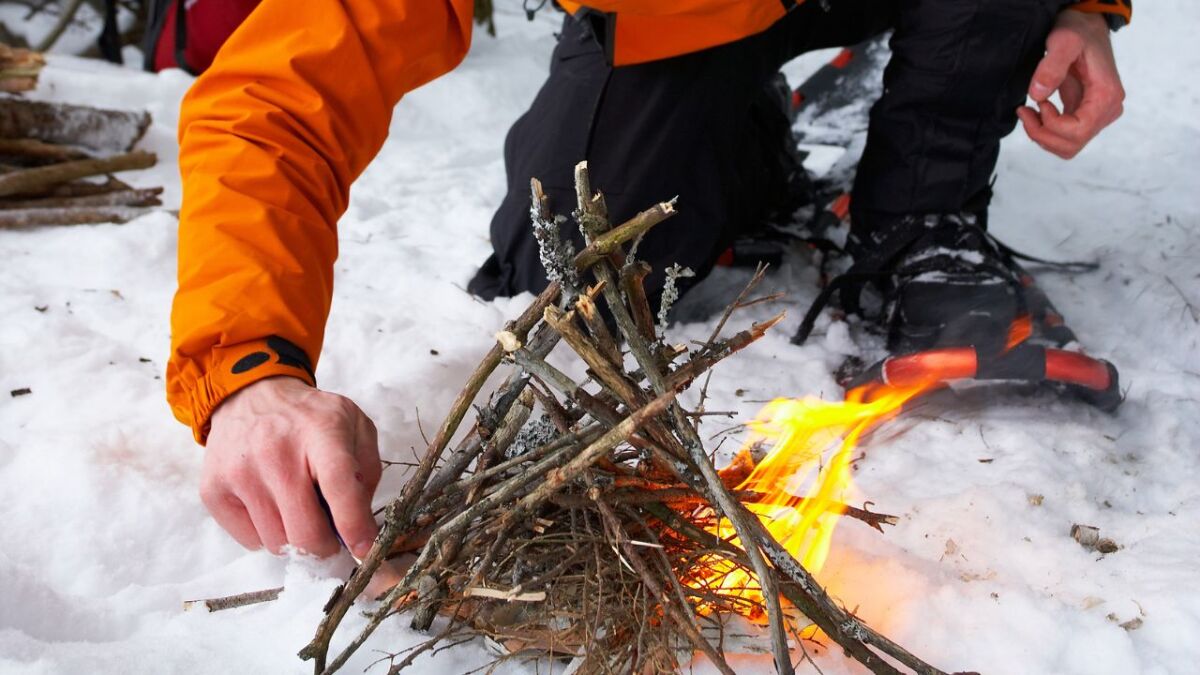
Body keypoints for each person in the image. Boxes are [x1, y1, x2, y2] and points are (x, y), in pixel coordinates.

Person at [168, 0, 1130, 557]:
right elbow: (279, 93)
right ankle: (754, 135)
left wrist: (1082, 5)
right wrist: (249, 370)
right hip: (690, 16)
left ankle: (926, 203)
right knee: (573, 254)